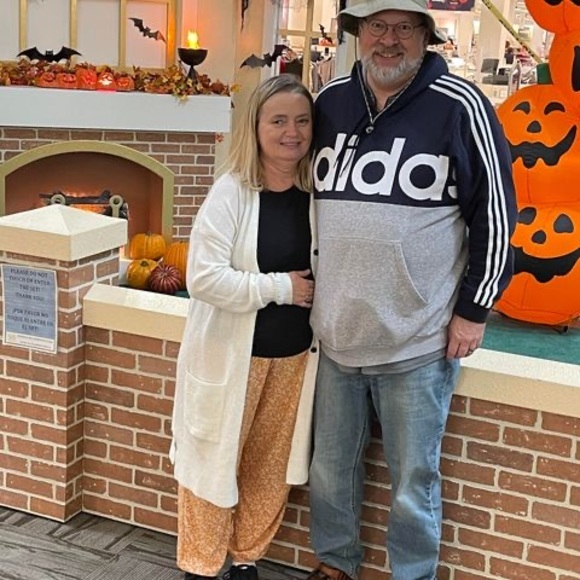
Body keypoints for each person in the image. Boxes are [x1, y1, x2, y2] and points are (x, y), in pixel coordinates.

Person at [307, 1, 517, 579]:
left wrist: (474, 309)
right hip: (336, 334)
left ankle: (412, 573)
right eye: (377, 26)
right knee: (329, 470)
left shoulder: (461, 105)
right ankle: (335, 564)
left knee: (412, 482)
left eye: (404, 27)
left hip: (418, 340)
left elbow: (497, 213)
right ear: (358, 33)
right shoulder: (330, 102)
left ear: (426, 35)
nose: (389, 39)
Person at [170, 74, 319, 580]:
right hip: (233, 360)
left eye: (302, 121)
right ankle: (201, 566)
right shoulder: (231, 192)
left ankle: (246, 560)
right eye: (278, 121)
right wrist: (282, 288)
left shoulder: (316, 197)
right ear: (254, 127)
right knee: (214, 464)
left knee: (269, 468)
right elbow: (203, 278)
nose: (292, 132)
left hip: (293, 362)